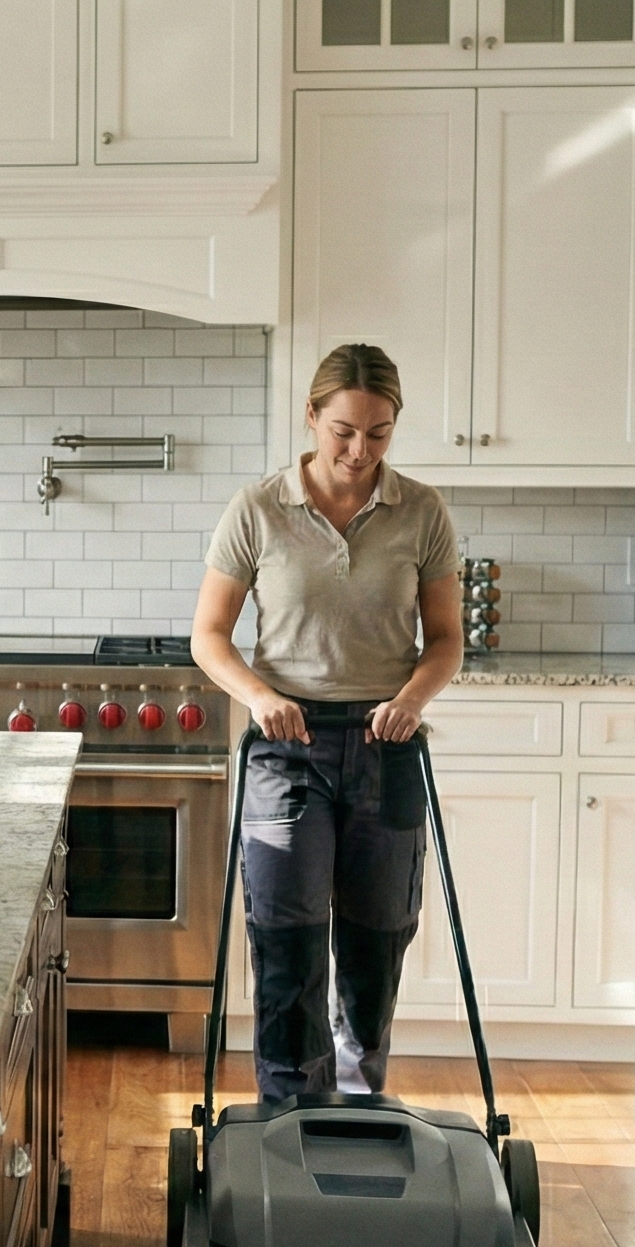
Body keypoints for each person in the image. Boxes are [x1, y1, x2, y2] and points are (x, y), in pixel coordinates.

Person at [190, 343, 463, 1101]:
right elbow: (208, 634)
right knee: (287, 938)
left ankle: (360, 1096)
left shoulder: (422, 512)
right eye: (343, 430)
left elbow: (445, 639)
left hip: (388, 744)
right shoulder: (259, 509)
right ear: (312, 417)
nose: (359, 450)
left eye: (378, 433)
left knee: (378, 941)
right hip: (288, 748)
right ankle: (289, 1107)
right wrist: (257, 694)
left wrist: (411, 700)